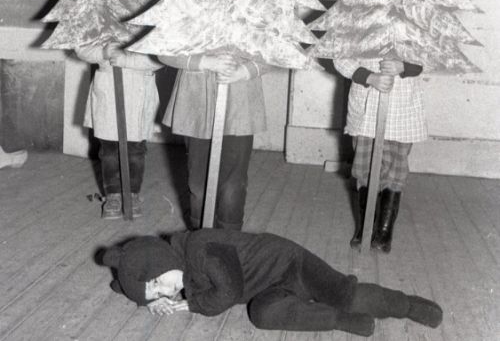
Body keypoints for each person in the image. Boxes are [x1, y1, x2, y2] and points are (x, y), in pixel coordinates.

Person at [101, 229, 443, 336]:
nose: (165, 291)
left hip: (291, 263)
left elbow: (228, 292)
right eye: (157, 292)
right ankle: (339, 320)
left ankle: (408, 305)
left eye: (158, 282)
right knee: (262, 315)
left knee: (345, 293)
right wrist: (150, 301)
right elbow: (133, 280)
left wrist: (190, 304)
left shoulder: (200, 248)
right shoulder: (174, 267)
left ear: (161, 260)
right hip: (267, 289)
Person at [158, 53, 271, 230]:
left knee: (233, 180)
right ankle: (200, 232)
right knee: (198, 180)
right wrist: (205, 62)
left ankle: (229, 234)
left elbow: (275, 53)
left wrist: (243, 71)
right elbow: (163, 51)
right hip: (196, 103)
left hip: (240, 103)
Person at [334, 57, 427, 252]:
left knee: (395, 170)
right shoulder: (355, 35)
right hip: (367, 110)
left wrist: (405, 66)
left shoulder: (414, 36)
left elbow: (427, 58)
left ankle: (384, 232)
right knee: (364, 168)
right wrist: (369, 77)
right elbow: (341, 58)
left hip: (402, 110)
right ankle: (365, 228)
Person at [75, 41, 161, 219]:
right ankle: (113, 194)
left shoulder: (151, 29)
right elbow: (82, 49)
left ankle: (132, 193)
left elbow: (160, 58)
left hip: (139, 90)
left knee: (135, 150)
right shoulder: (99, 26)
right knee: (109, 150)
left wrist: (128, 60)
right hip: (108, 92)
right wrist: (103, 52)